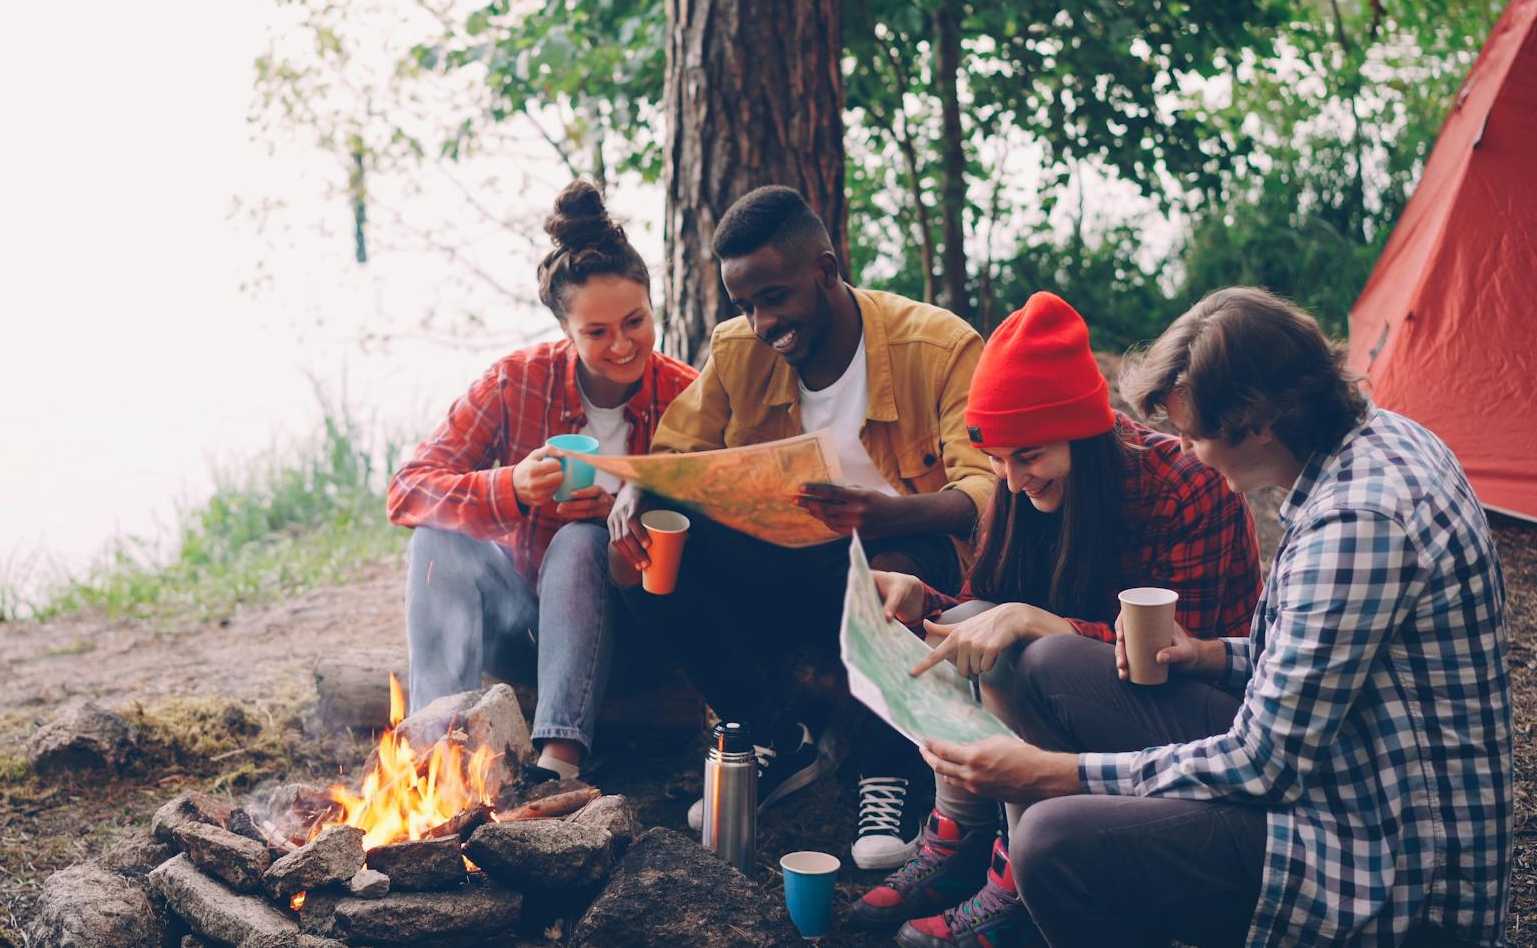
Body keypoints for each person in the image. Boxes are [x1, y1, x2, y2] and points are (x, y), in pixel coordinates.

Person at [910, 287, 1512, 948]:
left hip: (1382, 854)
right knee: (1051, 665)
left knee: (1051, 841)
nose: (1190, 452)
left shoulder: (1357, 522)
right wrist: (1211, 654)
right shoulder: (1379, 440)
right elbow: (1321, 659)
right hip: (1347, 759)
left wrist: (1052, 774)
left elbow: (1263, 767)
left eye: (1195, 435)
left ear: (1256, 421)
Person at [847, 291, 1262, 946]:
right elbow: (988, 613)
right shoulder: (1016, 490)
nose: (1012, 480)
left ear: (1085, 433)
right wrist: (923, 600)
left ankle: (1016, 880)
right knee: (974, 625)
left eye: (1030, 456)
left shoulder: (1188, 489)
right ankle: (962, 839)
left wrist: (1055, 626)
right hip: (1068, 704)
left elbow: (1197, 664)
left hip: (1198, 729)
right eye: (998, 460)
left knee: (1034, 651)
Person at [606, 185, 995, 853]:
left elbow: (985, 489)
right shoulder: (737, 352)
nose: (761, 322)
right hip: (793, 569)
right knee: (642, 551)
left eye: (774, 297)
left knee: (892, 568)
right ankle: (773, 734)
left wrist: (887, 515)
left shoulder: (934, 344)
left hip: (908, 567)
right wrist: (637, 494)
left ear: (825, 271)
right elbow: (677, 454)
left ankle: (890, 771)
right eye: (746, 305)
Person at [386, 179, 698, 783]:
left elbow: (726, 517)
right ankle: (433, 743)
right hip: (518, 631)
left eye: (635, 321)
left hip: (637, 636)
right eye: (597, 332)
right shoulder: (515, 382)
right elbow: (407, 491)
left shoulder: (686, 397)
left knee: (580, 540)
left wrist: (627, 512)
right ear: (566, 333)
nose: (622, 344)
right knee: (435, 538)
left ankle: (559, 763)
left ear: (653, 307)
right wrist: (509, 489)